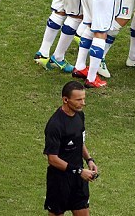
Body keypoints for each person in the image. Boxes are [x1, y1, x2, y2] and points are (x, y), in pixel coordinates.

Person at [43, 81, 98, 215]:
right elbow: (52, 159)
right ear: (65, 99)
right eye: (78, 99)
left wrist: (90, 160)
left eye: (84, 99)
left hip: (78, 180)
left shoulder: (80, 115)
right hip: (59, 182)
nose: (83, 103)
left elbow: (80, 142)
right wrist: (79, 171)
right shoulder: (55, 125)